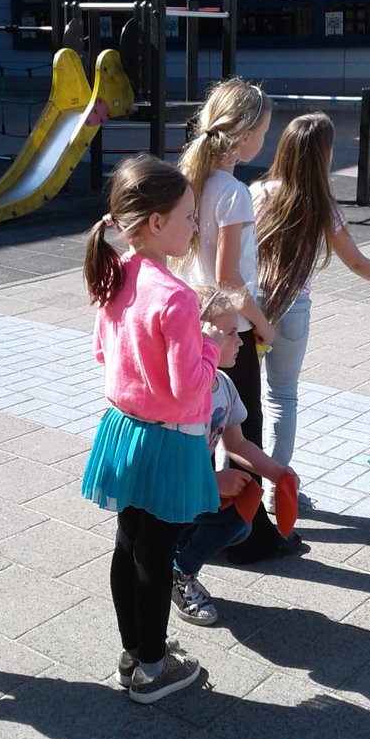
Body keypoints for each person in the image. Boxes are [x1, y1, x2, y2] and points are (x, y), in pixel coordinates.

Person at [81, 155, 226, 705]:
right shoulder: (176, 296)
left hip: (122, 430)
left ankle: (135, 651)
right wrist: (215, 349)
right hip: (167, 440)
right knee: (154, 554)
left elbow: (102, 350)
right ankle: (152, 666)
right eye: (189, 216)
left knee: (128, 546)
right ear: (156, 223)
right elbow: (192, 390)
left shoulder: (115, 273)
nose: (195, 226)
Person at [253, 112, 370, 513]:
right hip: (292, 309)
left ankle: (233, 484)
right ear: (322, 156)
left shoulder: (257, 192)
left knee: (237, 397)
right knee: (282, 397)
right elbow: (356, 262)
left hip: (250, 307)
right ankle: (278, 489)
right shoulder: (323, 205)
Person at [177, 77, 297, 564]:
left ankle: (196, 535)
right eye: (264, 131)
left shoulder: (192, 179)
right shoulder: (233, 191)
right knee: (239, 428)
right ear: (245, 135)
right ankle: (244, 538)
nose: (264, 141)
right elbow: (229, 275)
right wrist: (263, 323)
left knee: (198, 432)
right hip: (229, 329)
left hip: (194, 320)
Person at [172, 287, 299, 625]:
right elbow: (171, 465)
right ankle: (180, 573)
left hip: (192, 489)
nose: (241, 341)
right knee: (227, 521)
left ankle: (174, 555)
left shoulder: (225, 384)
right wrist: (214, 480)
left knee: (241, 525)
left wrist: (277, 473)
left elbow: (238, 444)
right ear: (200, 339)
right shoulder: (184, 395)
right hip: (169, 491)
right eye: (231, 333)